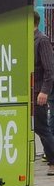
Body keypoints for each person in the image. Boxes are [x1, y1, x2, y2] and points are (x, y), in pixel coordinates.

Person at [34, 10, 54, 173]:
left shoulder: (42, 40)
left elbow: (49, 69)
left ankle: (52, 161)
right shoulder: (28, 39)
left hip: (39, 91)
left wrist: (44, 91)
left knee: (42, 128)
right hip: (29, 91)